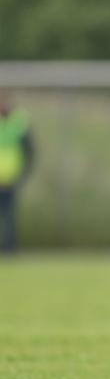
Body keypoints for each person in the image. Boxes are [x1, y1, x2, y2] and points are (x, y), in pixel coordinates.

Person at [0, 90, 34, 255]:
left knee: (10, 218)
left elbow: (30, 151)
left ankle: (10, 251)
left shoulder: (18, 121)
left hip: (12, 179)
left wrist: (22, 176)